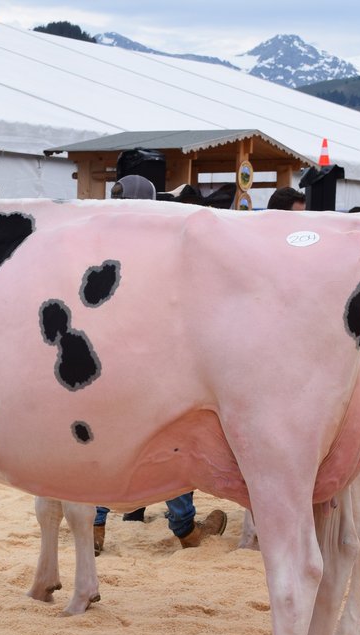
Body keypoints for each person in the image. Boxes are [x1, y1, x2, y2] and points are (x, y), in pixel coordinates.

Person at [91, 173, 229, 554]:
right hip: (148, 359)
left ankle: (96, 524)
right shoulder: (158, 246)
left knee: (107, 442)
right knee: (173, 443)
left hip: (102, 359)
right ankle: (185, 528)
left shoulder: (96, 241)